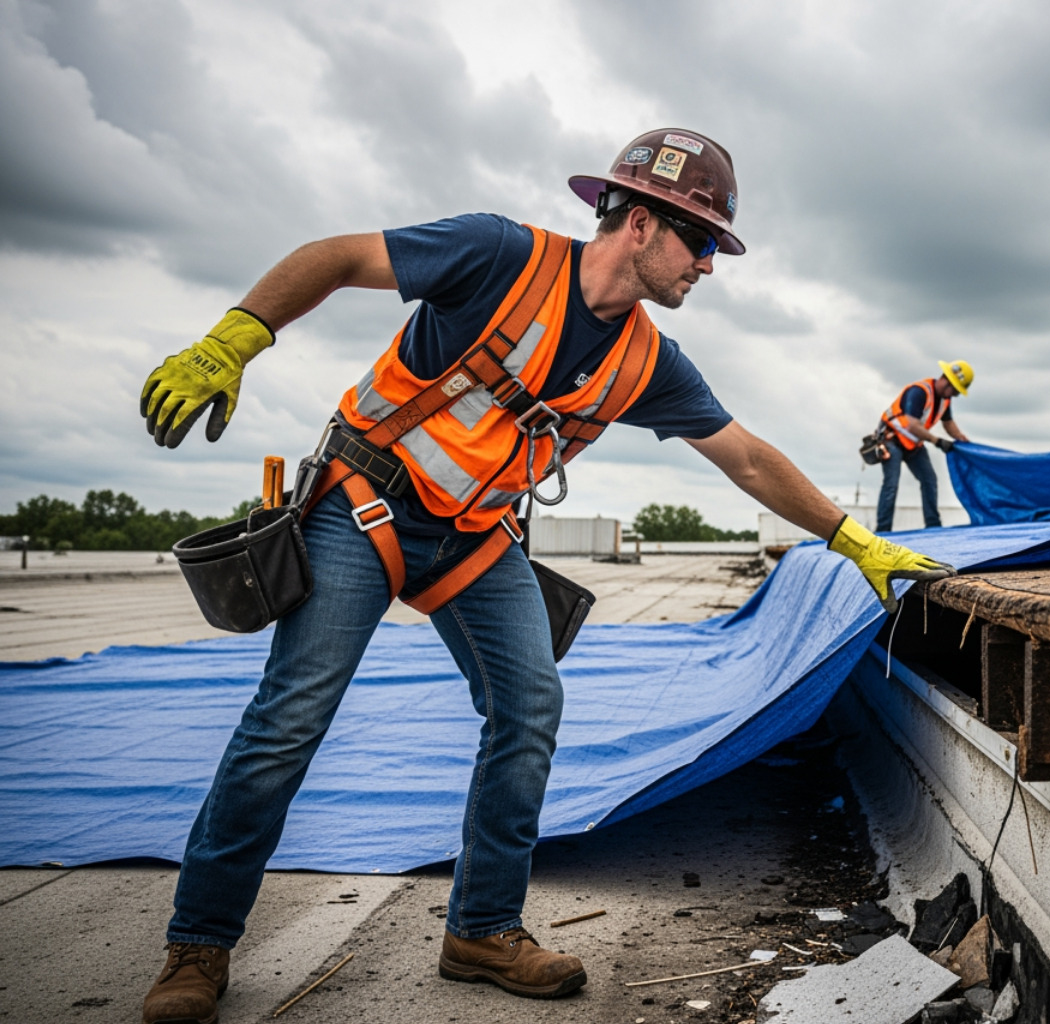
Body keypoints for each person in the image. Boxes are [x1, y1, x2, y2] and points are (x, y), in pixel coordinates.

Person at [135, 128, 956, 1023]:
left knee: (529, 707)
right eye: (705, 241)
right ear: (640, 223)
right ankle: (199, 946)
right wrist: (233, 341)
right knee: (293, 713)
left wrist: (853, 540)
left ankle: (482, 929)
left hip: (472, 535)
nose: (711, 266)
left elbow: (749, 460)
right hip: (364, 503)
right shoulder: (498, 254)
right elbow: (334, 258)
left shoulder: (648, 362)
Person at [874, 361, 972, 532]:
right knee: (891, 483)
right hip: (892, 439)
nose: (955, 395)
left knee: (929, 480)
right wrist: (937, 441)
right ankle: (883, 530)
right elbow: (912, 425)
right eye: (955, 390)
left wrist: (963, 441)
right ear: (946, 381)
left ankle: (933, 525)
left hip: (913, 443)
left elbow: (948, 424)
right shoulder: (919, 392)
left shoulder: (944, 400)